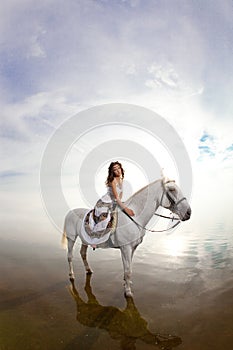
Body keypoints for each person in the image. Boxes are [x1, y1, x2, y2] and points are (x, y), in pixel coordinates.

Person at [89, 162, 135, 234]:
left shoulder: (121, 180)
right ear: (112, 171)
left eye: (119, 168)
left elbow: (120, 196)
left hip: (114, 202)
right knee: (106, 219)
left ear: (121, 169)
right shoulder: (113, 180)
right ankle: (96, 234)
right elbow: (116, 196)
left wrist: (121, 203)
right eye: (115, 169)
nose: (118, 170)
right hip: (105, 202)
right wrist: (126, 209)